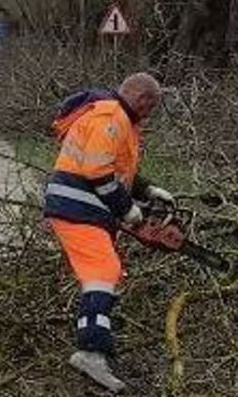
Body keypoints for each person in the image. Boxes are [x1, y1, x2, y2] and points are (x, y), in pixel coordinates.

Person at [43, 72, 174, 392]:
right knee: (104, 270)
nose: (151, 112)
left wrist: (148, 190)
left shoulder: (118, 119)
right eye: (152, 105)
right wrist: (126, 209)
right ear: (143, 99)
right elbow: (97, 170)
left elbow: (116, 170)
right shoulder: (111, 116)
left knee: (106, 273)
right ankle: (90, 350)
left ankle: (95, 341)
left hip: (84, 208)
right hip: (77, 206)